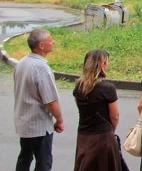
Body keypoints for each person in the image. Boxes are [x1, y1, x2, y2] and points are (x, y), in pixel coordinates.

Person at [13, 28, 64, 171]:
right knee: (43, 162)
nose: (53, 42)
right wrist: (59, 120)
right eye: (50, 40)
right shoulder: (42, 68)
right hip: (39, 125)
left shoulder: (21, 63)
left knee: (24, 158)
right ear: (41, 45)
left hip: (24, 123)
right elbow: (51, 101)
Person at [73, 49, 121, 171]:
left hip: (83, 134)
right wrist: (111, 129)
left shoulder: (79, 86)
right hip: (102, 136)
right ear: (102, 64)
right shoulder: (107, 88)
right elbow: (115, 116)